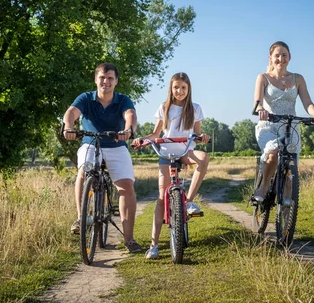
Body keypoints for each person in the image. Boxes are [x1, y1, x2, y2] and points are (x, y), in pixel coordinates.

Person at [62, 63, 142, 253]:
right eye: (102, 78)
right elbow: (72, 112)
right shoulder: (86, 98)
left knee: (127, 186)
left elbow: (130, 115)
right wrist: (68, 126)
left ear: (116, 81)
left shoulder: (123, 100)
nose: (106, 81)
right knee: (84, 172)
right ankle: (81, 218)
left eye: (110, 78)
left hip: (116, 144)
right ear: (96, 79)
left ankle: (129, 239)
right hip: (90, 143)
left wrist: (128, 130)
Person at [132, 72, 210, 259]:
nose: (180, 91)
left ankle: (189, 199)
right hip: (165, 153)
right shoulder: (164, 107)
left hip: (185, 152)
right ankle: (154, 245)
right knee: (161, 198)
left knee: (204, 158)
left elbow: (197, 135)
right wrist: (142, 140)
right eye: (176, 87)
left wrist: (203, 137)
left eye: (183, 87)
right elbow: (155, 133)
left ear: (188, 89)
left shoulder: (195, 108)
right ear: (171, 89)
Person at [252, 41, 314, 203]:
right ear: (271, 58)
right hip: (269, 125)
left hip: (291, 127)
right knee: (273, 155)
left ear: (289, 57)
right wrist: (260, 110)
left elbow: (307, 103)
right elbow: (257, 102)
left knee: (291, 168)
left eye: (284, 55)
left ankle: (286, 217)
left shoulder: (297, 78)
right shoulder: (263, 78)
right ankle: (263, 186)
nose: (281, 59)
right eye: (277, 55)